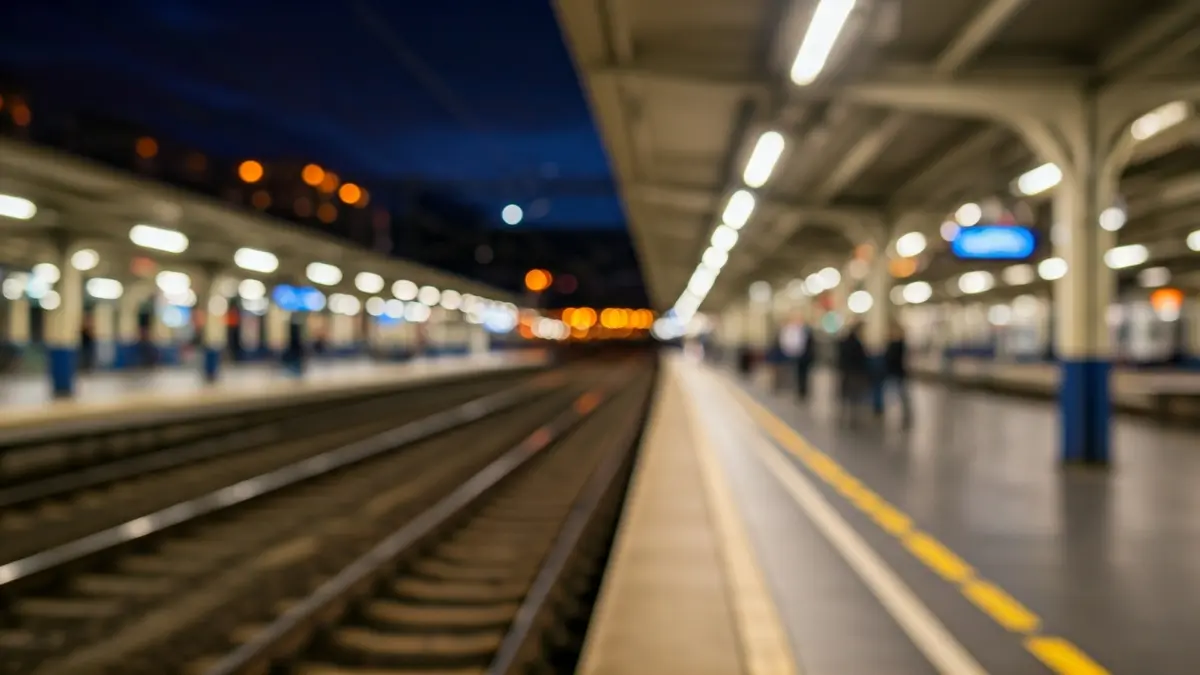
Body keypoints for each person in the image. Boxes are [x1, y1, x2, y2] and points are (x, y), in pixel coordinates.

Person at [837, 322, 870, 426]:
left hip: (846, 371)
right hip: (855, 372)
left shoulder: (844, 342)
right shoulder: (857, 344)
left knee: (846, 394)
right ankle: (853, 415)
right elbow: (861, 358)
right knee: (854, 395)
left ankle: (844, 414)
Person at [884, 321, 913, 427]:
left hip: (897, 372)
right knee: (896, 394)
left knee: (901, 394)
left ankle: (906, 415)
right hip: (894, 372)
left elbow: (893, 358)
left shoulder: (898, 344)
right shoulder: (895, 343)